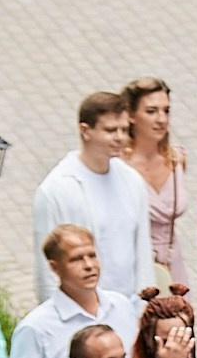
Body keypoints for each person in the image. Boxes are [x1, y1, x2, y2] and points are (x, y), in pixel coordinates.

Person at [12, 225, 142, 358]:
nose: (89, 265)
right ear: (55, 267)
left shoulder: (122, 306)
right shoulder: (36, 328)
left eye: (92, 255)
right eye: (76, 259)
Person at [30, 91, 151, 304]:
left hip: (128, 309)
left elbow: (142, 251)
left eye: (124, 129)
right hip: (80, 313)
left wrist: (145, 306)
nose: (120, 138)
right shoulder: (55, 189)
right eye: (110, 130)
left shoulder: (132, 181)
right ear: (85, 130)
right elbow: (46, 267)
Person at [120, 77, 191, 296]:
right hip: (132, 264)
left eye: (166, 111)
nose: (161, 119)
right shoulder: (119, 166)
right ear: (131, 115)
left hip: (171, 264)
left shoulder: (176, 158)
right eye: (151, 111)